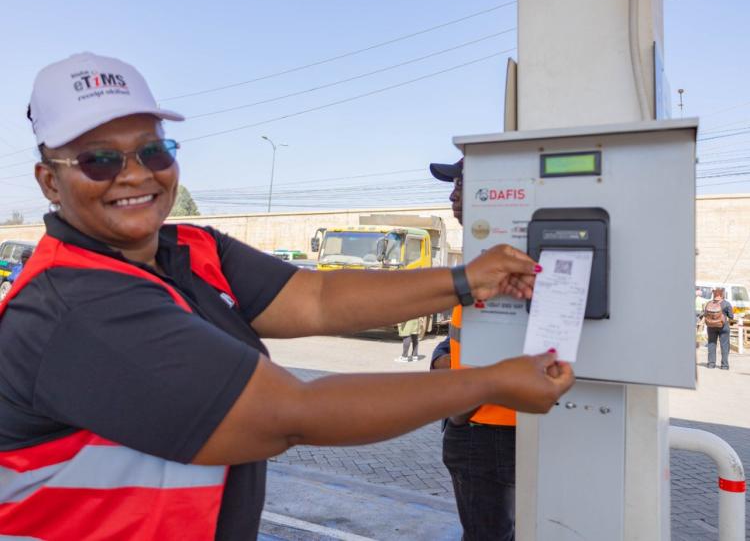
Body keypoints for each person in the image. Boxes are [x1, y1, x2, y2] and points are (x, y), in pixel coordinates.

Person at [0, 52, 575, 540]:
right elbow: (292, 414)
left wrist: (467, 279)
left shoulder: (190, 248)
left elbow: (317, 296)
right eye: (99, 159)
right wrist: (492, 382)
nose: (135, 175)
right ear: (49, 181)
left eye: (153, 151)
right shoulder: (73, 303)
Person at [430, 157, 518, 541]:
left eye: (461, 184)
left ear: (490, 192)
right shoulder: (485, 253)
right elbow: (464, 335)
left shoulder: (499, 259)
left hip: (487, 429)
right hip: (490, 425)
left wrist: (460, 414)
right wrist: (440, 354)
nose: (452, 194)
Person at [704, 287, 733, 370]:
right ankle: (724, 365)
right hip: (723, 327)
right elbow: (731, 316)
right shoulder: (726, 304)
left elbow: (705, 314)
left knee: (711, 344)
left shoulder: (709, 303)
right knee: (724, 345)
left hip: (711, 327)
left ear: (714, 294)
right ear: (722, 294)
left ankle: (711, 364)